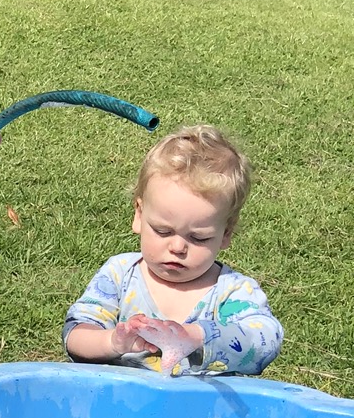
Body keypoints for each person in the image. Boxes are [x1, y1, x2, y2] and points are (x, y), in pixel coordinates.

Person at [65, 126, 282, 376]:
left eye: (198, 238)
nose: (177, 247)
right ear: (139, 215)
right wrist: (113, 341)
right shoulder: (120, 275)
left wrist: (198, 336)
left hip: (202, 402)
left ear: (226, 234)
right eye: (163, 231)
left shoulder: (232, 292)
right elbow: (76, 335)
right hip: (122, 400)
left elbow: (267, 340)